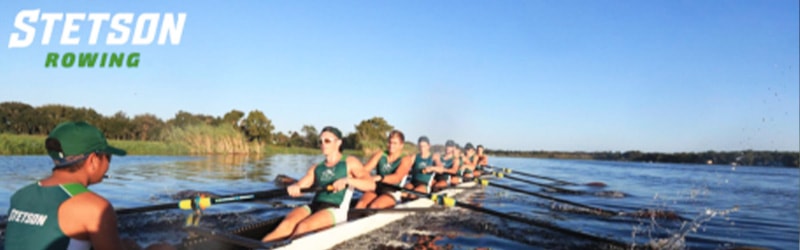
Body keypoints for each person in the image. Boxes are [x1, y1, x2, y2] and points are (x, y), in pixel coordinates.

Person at [4, 121, 171, 250]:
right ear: (93, 160)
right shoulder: (95, 207)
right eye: (108, 157)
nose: (109, 164)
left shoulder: (20, 195)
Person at [262, 126, 374, 242]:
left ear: (338, 143)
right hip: (315, 205)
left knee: (303, 227)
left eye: (327, 141)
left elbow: (371, 184)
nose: (323, 144)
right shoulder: (316, 167)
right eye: (320, 141)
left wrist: (348, 180)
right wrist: (295, 188)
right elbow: (302, 186)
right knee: (286, 225)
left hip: (336, 209)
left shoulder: (350, 162)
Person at [355, 130, 414, 209]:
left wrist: (380, 177)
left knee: (374, 206)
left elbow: (397, 177)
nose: (391, 145)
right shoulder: (380, 154)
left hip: (392, 192)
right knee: (360, 205)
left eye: (395, 143)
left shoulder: (406, 159)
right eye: (390, 142)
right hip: (375, 188)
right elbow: (365, 170)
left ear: (401, 145)